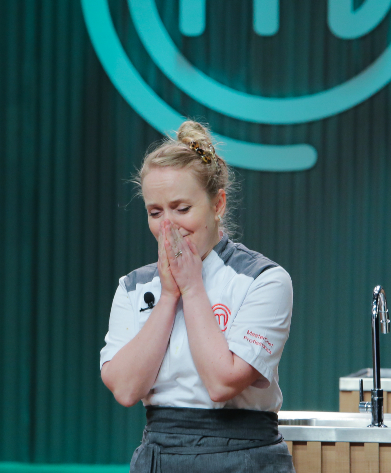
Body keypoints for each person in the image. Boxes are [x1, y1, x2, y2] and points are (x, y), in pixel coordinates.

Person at [100, 120, 295, 472]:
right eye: (155, 212)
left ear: (217, 204)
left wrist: (191, 288)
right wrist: (168, 296)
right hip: (160, 454)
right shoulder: (133, 287)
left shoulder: (263, 280)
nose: (168, 226)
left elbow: (222, 382)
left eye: (182, 208)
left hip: (244, 455)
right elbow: (126, 390)